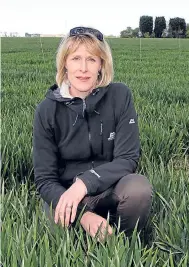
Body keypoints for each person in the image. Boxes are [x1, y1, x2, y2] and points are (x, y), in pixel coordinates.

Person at [33, 26, 153, 241]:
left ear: (101, 64)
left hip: (109, 186)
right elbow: (45, 179)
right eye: (76, 59)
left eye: (92, 59)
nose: (83, 68)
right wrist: (82, 214)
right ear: (65, 64)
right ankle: (82, 241)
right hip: (67, 193)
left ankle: (123, 243)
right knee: (55, 221)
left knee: (138, 189)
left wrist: (85, 183)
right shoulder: (47, 110)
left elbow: (128, 159)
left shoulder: (120, 95)